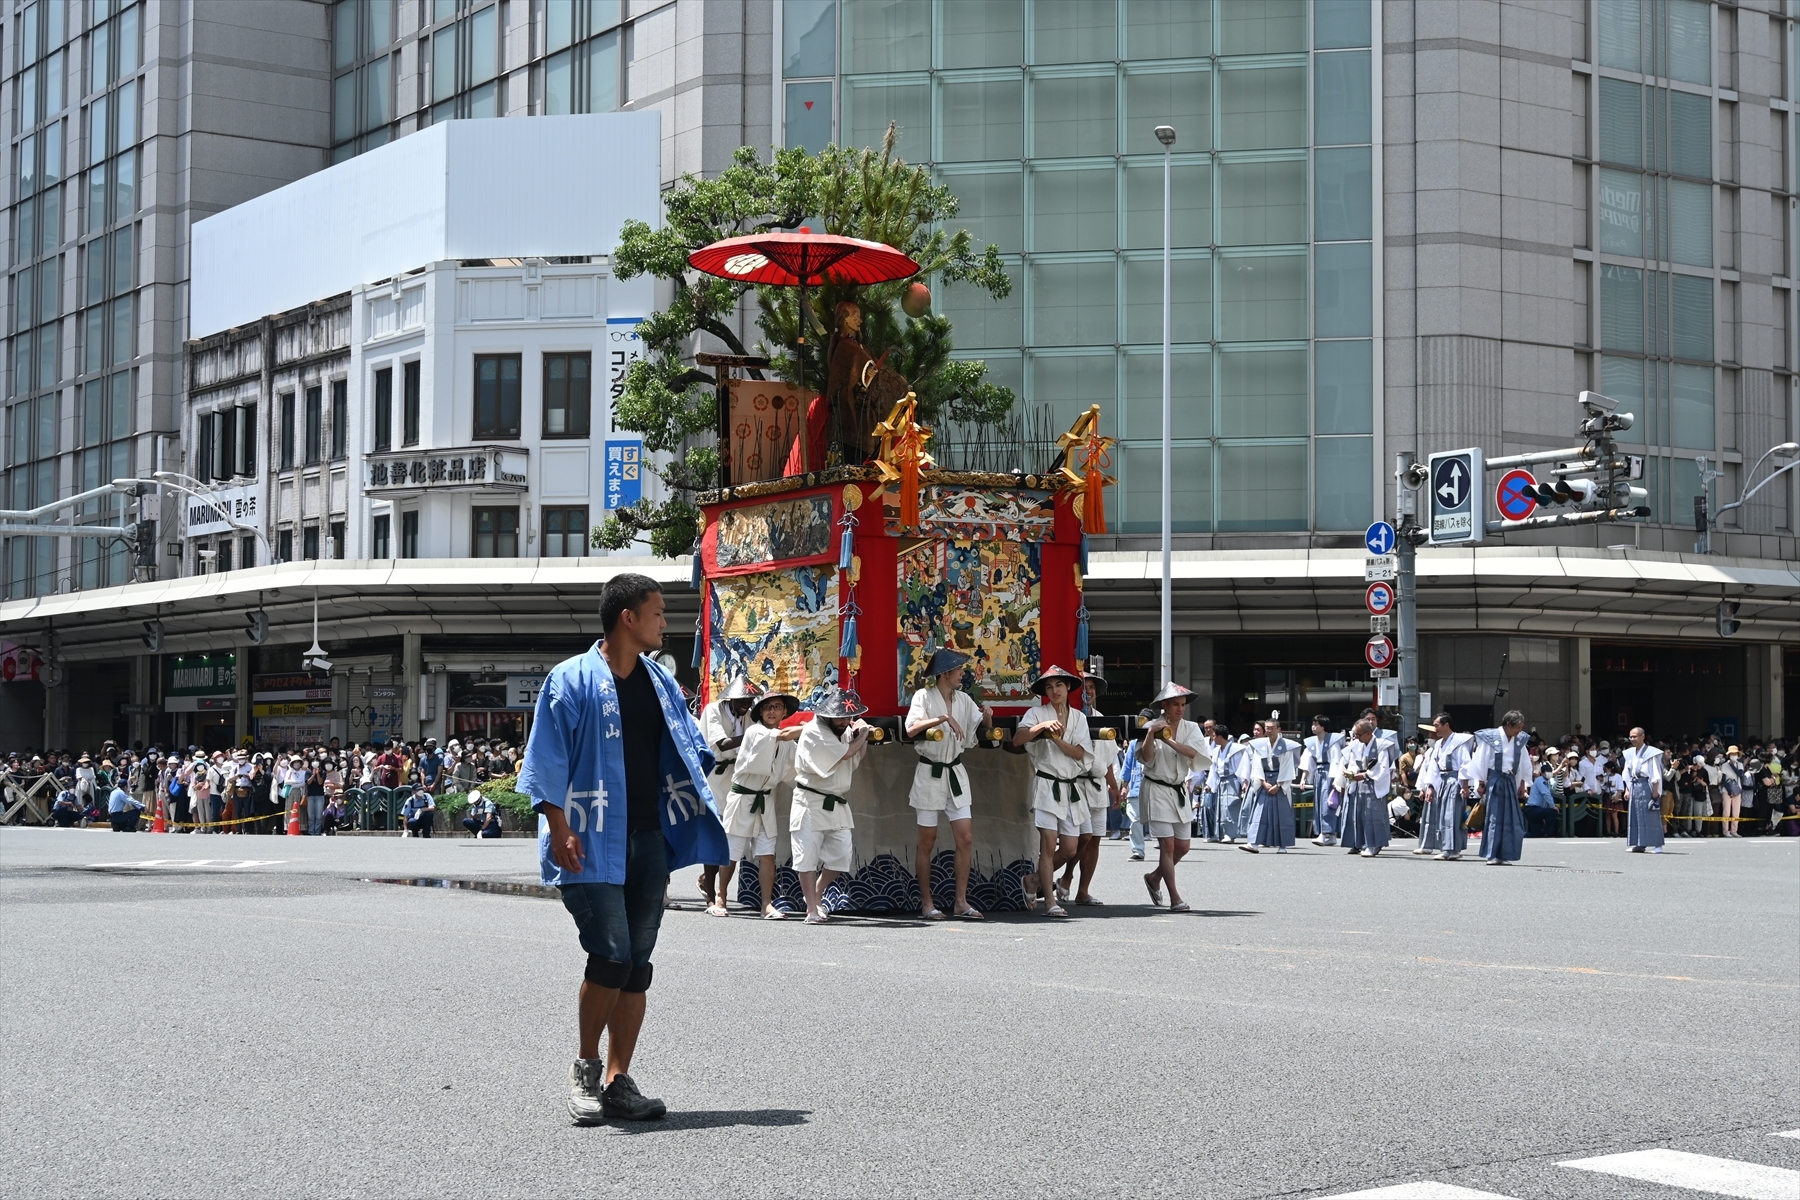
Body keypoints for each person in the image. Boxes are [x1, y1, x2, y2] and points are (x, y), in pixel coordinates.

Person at [518, 571, 727, 1125]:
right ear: (627, 618)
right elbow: (545, 762)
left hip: (647, 837)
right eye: (657, 612)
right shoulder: (570, 680)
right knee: (610, 955)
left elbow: (688, 745)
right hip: (588, 839)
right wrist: (558, 827)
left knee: (637, 964)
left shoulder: (659, 682)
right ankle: (585, 1071)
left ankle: (619, 1079)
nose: (665, 622)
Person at [906, 648, 991, 921]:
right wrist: (943, 718)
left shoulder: (964, 700)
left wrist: (988, 716)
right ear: (945, 674)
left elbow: (981, 727)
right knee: (926, 842)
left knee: (965, 838)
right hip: (930, 773)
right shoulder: (923, 696)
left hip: (955, 772)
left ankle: (961, 901)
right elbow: (911, 728)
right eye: (959, 670)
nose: (962, 675)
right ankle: (927, 903)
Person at [791, 688, 873, 925]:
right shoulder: (814, 731)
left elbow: (856, 757)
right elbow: (847, 754)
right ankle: (811, 909)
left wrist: (859, 734)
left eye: (848, 717)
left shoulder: (844, 731)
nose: (845, 721)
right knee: (807, 856)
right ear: (827, 715)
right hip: (810, 800)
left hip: (835, 802)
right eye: (841, 717)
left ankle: (817, 894)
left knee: (841, 856)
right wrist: (863, 733)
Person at [1014, 666, 1091, 918]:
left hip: (1070, 786)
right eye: (1049, 687)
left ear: (1068, 687)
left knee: (1070, 848)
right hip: (1047, 785)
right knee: (1047, 846)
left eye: (1058, 685)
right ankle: (1050, 901)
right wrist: (1043, 727)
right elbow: (1018, 739)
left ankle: (1033, 880)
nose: (1054, 690)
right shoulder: (1036, 713)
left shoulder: (1079, 718)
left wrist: (1056, 739)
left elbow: (1081, 753)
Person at [720, 690, 801, 919]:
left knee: (767, 854)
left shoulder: (787, 743)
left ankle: (767, 904)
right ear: (760, 712)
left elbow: (795, 771)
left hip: (765, 800)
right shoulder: (755, 732)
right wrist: (809, 728)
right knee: (732, 852)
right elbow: (782, 736)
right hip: (743, 798)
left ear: (785, 711)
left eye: (777, 707)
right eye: (767, 707)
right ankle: (720, 896)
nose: (772, 711)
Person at [1136, 682, 1202, 909]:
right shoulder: (1149, 725)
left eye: (1183, 705)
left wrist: (1169, 740)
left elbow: (1195, 754)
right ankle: (1175, 897)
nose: (1180, 709)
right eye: (1175, 704)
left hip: (1178, 789)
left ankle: (1154, 877)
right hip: (1156, 788)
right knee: (1168, 846)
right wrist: (1151, 734)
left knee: (1183, 847)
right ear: (1164, 705)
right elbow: (1145, 758)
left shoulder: (1191, 728)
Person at [698, 677, 759, 916]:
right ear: (730, 698)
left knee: (730, 836)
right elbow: (722, 744)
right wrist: (756, 733)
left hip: (736, 776)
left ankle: (707, 880)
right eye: (742, 700)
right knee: (714, 834)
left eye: (750, 700)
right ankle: (711, 897)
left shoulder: (750, 715)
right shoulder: (713, 710)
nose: (747, 704)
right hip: (714, 776)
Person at [1465, 710, 1530, 865]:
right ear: (1508, 725)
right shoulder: (1491, 738)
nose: (1520, 731)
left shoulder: (1520, 740)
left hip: (1511, 781)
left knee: (1511, 819)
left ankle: (1505, 854)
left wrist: (1523, 784)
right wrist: (1480, 783)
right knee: (1494, 818)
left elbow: (1524, 764)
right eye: (1517, 727)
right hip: (1494, 780)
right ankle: (1492, 854)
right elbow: (1481, 761)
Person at [1414, 713, 1475, 860]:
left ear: (1446, 725)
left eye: (1437, 725)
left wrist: (1465, 786)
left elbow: (1465, 765)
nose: (1435, 729)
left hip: (1455, 781)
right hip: (1441, 781)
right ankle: (1446, 847)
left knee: (1452, 815)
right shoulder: (1438, 744)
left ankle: (1452, 849)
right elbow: (1434, 768)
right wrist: (1430, 787)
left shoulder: (1459, 742)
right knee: (1442, 815)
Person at [1240, 711, 1301, 853]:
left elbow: (1287, 767)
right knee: (1259, 812)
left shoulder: (1287, 746)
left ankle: (1283, 845)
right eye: (1267, 728)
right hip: (1265, 781)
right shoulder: (1259, 745)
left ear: (1279, 729)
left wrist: (1279, 785)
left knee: (1282, 814)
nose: (1269, 730)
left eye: (1272, 728)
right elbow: (1256, 765)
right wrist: (1262, 782)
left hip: (1280, 782)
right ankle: (1253, 843)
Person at [1334, 718, 1393, 858]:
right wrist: (1351, 773)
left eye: (1358, 735)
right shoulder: (1356, 746)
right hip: (1359, 784)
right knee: (1360, 815)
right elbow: (1354, 764)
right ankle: (1362, 843)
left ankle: (1374, 844)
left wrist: (1366, 774)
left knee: (1373, 816)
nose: (1356, 737)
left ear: (1368, 733)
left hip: (1374, 784)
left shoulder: (1381, 746)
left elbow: (1383, 769)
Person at [1205, 723, 1249, 848]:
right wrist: (1210, 783)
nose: (1213, 738)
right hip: (1221, 781)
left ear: (1220, 737)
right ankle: (1222, 833)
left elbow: (1241, 767)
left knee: (1230, 807)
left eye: (1214, 736)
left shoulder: (1236, 749)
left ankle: (1231, 834)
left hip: (1232, 780)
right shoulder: (1217, 750)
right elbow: (1213, 769)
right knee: (1221, 808)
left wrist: (1244, 782)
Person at [1623, 727, 1665, 854]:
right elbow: (1627, 773)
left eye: (1635, 736)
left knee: (1650, 815)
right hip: (1634, 785)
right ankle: (1640, 843)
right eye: (1631, 737)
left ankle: (1658, 845)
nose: (1632, 739)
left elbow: (1655, 774)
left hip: (1646, 785)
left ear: (1643, 736)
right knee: (1636, 815)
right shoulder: (1630, 753)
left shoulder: (1650, 753)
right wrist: (1627, 789)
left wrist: (1655, 790)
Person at [1303, 716, 1343, 846]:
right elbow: (1308, 762)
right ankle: (1325, 833)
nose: (1313, 726)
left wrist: (1334, 779)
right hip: (1318, 772)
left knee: (1328, 802)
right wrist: (1304, 778)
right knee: (1319, 803)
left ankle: (1327, 832)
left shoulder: (1332, 740)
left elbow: (1336, 760)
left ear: (1323, 726)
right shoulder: (1312, 742)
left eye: (1316, 724)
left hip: (1328, 772)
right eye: (1313, 723)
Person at [1524, 761, 1559, 837]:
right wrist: (1553, 806)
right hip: (1532, 809)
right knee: (1553, 812)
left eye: (1550, 771)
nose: (1549, 773)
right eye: (1547, 772)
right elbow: (1546, 794)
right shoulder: (1540, 780)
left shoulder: (1546, 782)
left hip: (1535, 809)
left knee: (1536, 834)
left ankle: (1519, 836)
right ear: (1542, 773)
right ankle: (1547, 832)